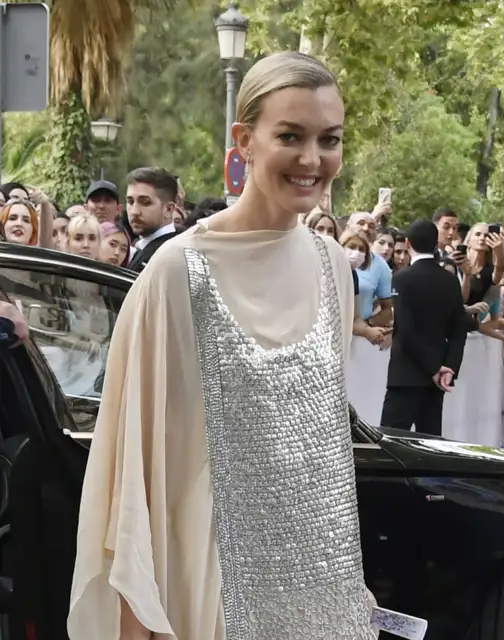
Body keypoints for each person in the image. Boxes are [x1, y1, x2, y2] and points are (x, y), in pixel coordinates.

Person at [68, 51, 377, 640]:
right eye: (291, 135)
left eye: (329, 139)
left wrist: (344, 573)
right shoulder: (177, 270)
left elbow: (325, 447)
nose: (313, 159)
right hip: (206, 580)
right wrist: (140, 617)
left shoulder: (333, 266)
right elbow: (137, 466)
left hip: (313, 584)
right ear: (245, 140)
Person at [381, 218, 467, 436]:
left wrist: (435, 368)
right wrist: (449, 367)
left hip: (406, 375)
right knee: (430, 442)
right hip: (436, 381)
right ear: (435, 243)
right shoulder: (450, 280)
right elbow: (459, 329)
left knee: (392, 441)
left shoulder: (402, 279)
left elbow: (406, 330)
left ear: (408, 244)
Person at [125, 167, 179, 272]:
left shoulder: (167, 255)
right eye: (131, 202)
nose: (134, 211)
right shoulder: (145, 247)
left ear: (168, 209)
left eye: (145, 203)